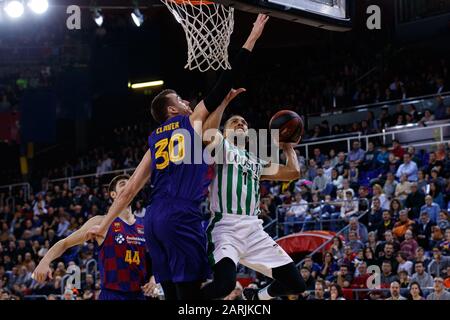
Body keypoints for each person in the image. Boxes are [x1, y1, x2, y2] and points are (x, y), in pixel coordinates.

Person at [86, 15, 269, 300]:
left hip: (153, 219)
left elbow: (130, 190)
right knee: (197, 294)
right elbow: (226, 79)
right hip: (180, 216)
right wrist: (252, 38)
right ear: (173, 111)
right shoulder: (190, 122)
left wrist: (105, 223)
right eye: (181, 101)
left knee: (171, 293)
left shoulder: (154, 142)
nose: (187, 103)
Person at [201, 114, 306, 299]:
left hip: (254, 230)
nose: (241, 123)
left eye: (244, 122)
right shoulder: (222, 148)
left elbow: (293, 172)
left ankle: (257, 297)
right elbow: (207, 131)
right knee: (225, 285)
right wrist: (223, 101)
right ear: (224, 132)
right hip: (225, 227)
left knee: (296, 284)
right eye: (235, 121)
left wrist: (288, 145)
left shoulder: (258, 162)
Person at [32, 175, 155, 300]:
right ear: (113, 194)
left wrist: (153, 278)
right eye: (123, 184)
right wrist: (45, 261)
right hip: (112, 294)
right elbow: (65, 243)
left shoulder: (144, 224)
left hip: (139, 294)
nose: (129, 186)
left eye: (130, 184)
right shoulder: (100, 222)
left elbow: (157, 257)